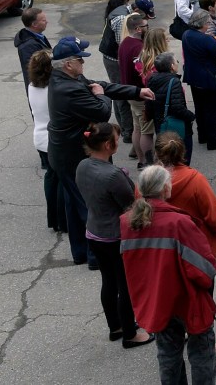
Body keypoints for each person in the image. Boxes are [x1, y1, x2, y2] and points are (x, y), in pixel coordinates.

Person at [47, 36, 153, 266]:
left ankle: (81, 253)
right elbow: (101, 110)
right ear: (68, 64)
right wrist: (101, 96)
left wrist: (136, 91)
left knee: (74, 205)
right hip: (72, 156)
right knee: (87, 205)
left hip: (65, 154)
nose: (84, 64)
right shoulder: (67, 88)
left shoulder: (68, 78)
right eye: (80, 60)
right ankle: (96, 256)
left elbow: (100, 86)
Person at [120, 165, 216, 385]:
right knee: (201, 353)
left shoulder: (127, 222)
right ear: (166, 188)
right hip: (187, 301)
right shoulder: (180, 223)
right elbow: (205, 269)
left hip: (156, 301)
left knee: (168, 355)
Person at [75, 122, 154, 349]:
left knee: (108, 281)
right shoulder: (112, 175)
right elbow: (131, 207)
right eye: (117, 141)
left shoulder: (82, 166)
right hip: (115, 237)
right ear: (109, 145)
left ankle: (115, 327)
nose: (119, 143)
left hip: (94, 231)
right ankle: (131, 333)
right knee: (126, 285)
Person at [157, 132, 216, 277]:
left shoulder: (147, 183)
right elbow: (214, 217)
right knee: (203, 298)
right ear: (182, 152)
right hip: (196, 253)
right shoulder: (196, 180)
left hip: (162, 252)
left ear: (157, 154)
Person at [28, 50, 66, 233]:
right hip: (53, 139)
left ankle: (53, 218)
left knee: (51, 178)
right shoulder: (54, 87)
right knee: (60, 180)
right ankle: (61, 219)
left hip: (40, 138)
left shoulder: (32, 85)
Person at [182, 9, 216, 150]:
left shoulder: (186, 34)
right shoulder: (206, 39)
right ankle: (213, 140)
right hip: (208, 78)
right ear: (203, 24)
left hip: (193, 77)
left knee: (200, 108)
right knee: (212, 110)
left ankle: (202, 135)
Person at [146, 53, 197, 163]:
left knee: (166, 158)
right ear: (172, 66)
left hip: (160, 124)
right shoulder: (174, 82)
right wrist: (191, 116)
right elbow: (177, 108)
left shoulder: (152, 79)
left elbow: (149, 103)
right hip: (176, 124)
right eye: (176, 62)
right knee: (183, 158)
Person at [119, 13, 155, 166]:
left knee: (137, 127)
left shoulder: (124, 43)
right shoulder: (138, 48)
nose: (148, 28)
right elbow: (143, 73)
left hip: (129, 92)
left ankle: (140, 158)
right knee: (146, 131)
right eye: (146, 26)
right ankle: (146, 162)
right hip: (140, 94)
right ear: (138, 29)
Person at [98, 0, 134, 139]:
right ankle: (127, 131)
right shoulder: (119, 19)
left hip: (109, 58)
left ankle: (124, 127)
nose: (128, 7)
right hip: (114, 60)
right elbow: (123, 44)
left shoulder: (112, 16)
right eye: (126, 4)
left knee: (117, 92)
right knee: (122, 95)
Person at [14, 7, 50, 95]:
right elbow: (34, 72)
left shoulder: (38, 36)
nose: (47, 22)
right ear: (34, 24)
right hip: (40, 90)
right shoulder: (28, 46)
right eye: (43, 20)